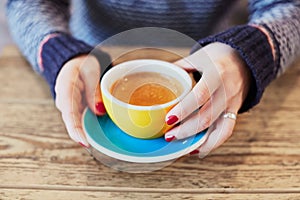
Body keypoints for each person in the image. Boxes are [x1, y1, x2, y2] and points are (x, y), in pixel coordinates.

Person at [6, 0, 300, 158]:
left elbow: (287, 7)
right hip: (91, 58)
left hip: (210, 63)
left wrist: (247, 54)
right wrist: (60, 50)